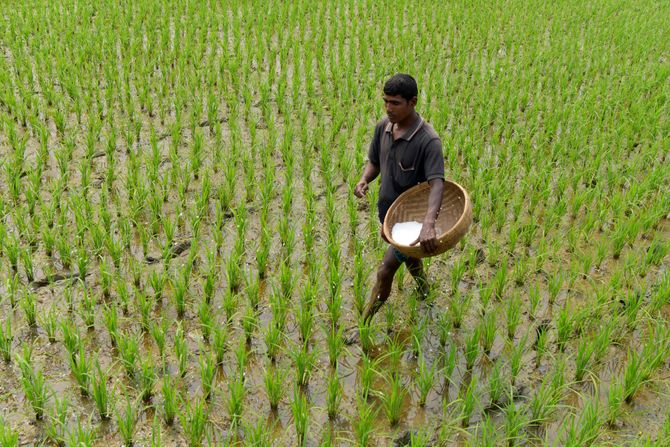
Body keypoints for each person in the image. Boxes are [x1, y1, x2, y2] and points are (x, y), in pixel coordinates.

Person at [354, 73, 445, 325]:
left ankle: (365, 323)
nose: (388, 108)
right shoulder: (383, 128)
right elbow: (375, 161)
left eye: (395, 103)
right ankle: (425, 293)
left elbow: (437, 184)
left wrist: (428, 224)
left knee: (385, 270)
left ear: (412, 102)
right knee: (411, 260)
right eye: (386, 101)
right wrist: (364, 179)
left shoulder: (428, 140)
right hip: (389, 217)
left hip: (412, 223)